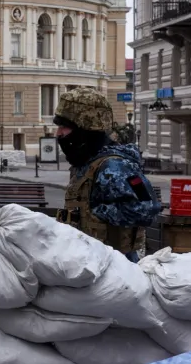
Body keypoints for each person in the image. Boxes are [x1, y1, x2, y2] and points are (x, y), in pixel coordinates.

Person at [53, 87, 162, 262]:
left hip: (116, 265)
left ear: (85, 128)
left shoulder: (116, 166)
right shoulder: (88, 164)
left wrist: (96, 214)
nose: (58, 133)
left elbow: (147, 207)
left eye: (64, 127)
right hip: (92, 261)